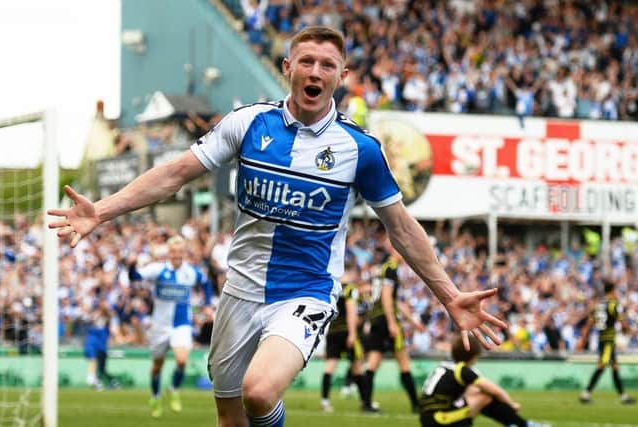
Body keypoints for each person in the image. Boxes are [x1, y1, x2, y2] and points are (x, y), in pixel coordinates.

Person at [48, 26, 505, 427]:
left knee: (260, 392)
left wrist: (449, 295)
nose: (316, 71)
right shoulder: (249, 123)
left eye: (328, 65)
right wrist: (101, 210)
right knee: (230, 418)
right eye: (306, 61)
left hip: (305, 291)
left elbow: (401, 228)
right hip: (240, 291)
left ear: (340, 78)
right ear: (288, 67)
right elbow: (175, 173)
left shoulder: (360, 149)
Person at [128, 235, 213, 417]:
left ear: (184, 253)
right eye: (174, 251)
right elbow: (135, 277)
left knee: (182, 360)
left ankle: (173, 389)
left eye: (180, 251)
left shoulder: (191, 272)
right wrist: (131, 265)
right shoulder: (158, 270)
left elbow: (206, 283)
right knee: (157, 366)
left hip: (181, 324)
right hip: (159, 326)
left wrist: (206, 304)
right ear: (169, 252)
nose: (177, 254)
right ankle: (156, 396)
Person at [419, 334, 550, 427]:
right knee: (485, 396)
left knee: (476, 391)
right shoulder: (463, 370)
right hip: (439, 420)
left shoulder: (445, 365)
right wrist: (512, 404)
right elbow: (496, 391)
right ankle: (522, 424)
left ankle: (516, 424)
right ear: (472, 356)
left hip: (428, 416)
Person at [360, 241, 426, 413]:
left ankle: (366, 403)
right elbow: (388, 298)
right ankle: (416, 405)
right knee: (403, 361)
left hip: (376, 319)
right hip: (384, 320)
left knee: (373, 361)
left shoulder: (382, 268)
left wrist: (413, 322)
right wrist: (391, 323)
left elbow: (395, 302)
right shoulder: (391, 268)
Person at [578, 279, 636, 405]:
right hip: (608, 340)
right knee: (602, 365)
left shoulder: (598, 305)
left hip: (601, 338)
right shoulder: (613, 304)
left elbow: (589, 324)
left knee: (615, 367)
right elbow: (623, 323)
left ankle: (623, 396)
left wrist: (583, 340)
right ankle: (586, 393)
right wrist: (629, 330)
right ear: (613, 290)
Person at [320, 259, 365, 412]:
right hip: (346, 331)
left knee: (330, 366)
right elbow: (352, 312)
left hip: (332, 331)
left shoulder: (334, 287)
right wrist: (353, 333)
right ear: (351, 272)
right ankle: (365, 402)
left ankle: (325, 401)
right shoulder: (351, 289)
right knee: (357, 365)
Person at [83, 296, 123, 390]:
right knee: (97, 366)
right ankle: (99, 384)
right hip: (96, 345)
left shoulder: (108, 317)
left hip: (102, 347)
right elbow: (90, 319)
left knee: (102, 370)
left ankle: (112, 382)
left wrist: (104, 309)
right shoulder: (95, 316)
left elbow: (110, 315)